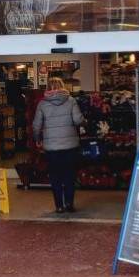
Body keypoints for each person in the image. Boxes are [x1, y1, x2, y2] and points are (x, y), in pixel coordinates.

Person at [33, 77, 83, 214]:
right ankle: (69, 204)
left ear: (48, 87)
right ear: (62, 86)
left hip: (51, 147)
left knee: (55, 177)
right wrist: (83, 121)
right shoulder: (71, 100)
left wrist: (37, 138)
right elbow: (78, 120)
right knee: (69, 176)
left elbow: (36, 126)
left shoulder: (42, 104)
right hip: (70, 146)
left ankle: (59, 206)